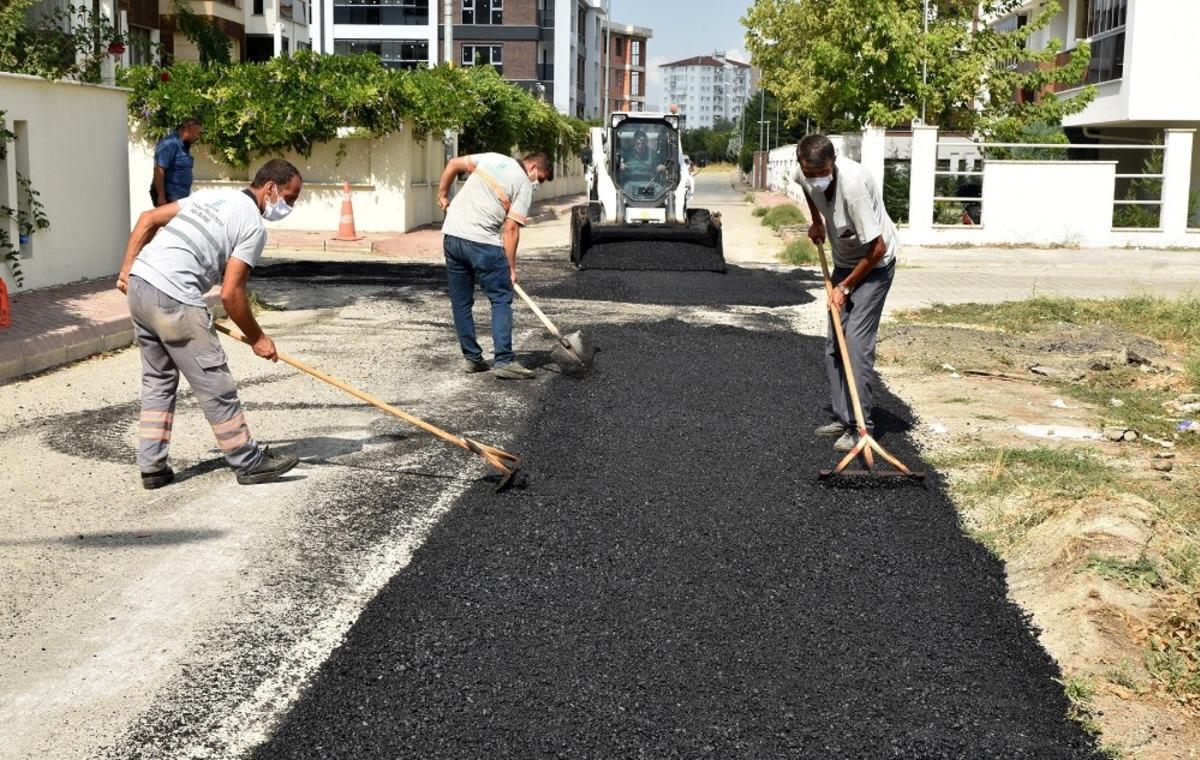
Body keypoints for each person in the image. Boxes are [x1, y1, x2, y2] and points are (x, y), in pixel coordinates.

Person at [116, 159, 304, 489]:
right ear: (270, 188)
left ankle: (152, 466)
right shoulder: (253, 226)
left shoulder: (212, 196)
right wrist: (258, 338)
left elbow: (148, 219)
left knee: (158, 379)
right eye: (290, 197)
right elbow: (232, 294)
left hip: (141, 284)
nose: (290, 205)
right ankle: (248, 462)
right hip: (174, 295)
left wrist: (126, 269)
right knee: (214, 381)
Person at [795, 134, 900, 453]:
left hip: (875, 266)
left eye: (821, 173)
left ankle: (862, 426)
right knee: (834, 344)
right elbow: (807, 189)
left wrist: (845, 286)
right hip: (844, 261)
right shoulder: (804, 174)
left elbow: (878, 248)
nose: (815, 180)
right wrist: (816, 221)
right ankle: (844, 417)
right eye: (810, 174)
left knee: (855, 342)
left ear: (833, 162)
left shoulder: (852, 188)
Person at [437, 151, 553, 379]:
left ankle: (472, 359)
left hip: (451, 236)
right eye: (539, 178)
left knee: (461, 301)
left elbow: (452, 164)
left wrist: (442, 195)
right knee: (501, 298)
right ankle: (504, 361)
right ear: (532, 167)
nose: (537, 184)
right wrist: (511, 268)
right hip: (482, 243)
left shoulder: (491, 158)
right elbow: (511, 229)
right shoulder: (523, 184)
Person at [150, 117, 202, 207]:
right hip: (168, 199)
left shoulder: (184, 146)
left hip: (179, 199)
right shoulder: (170, 143)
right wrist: (161, 197)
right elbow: (159, 169)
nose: (198, 137)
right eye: (197, 133)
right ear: (188, 129)